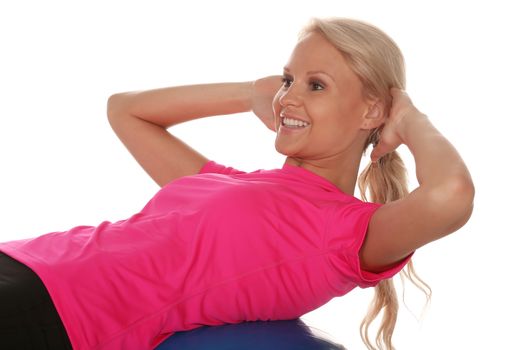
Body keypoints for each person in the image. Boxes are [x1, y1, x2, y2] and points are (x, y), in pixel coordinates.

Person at [0, 17, 475, 350]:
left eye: (316, 85)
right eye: (289, 79)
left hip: (53, 313)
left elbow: (450, 195)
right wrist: (251, 94)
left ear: (371, 111)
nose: (288, 96)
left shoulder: (345, 231)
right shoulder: (230, 184)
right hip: (24, 259)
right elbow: (125, 109)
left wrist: (410, 117)